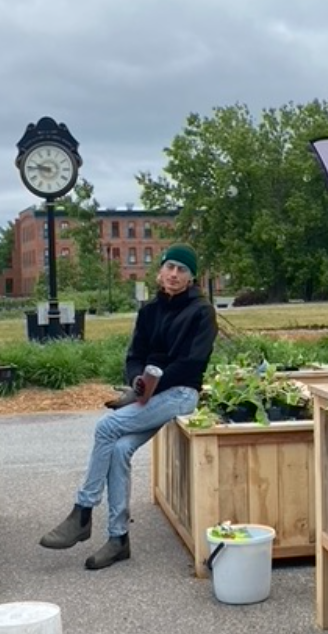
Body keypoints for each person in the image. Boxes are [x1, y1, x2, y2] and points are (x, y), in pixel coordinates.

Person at [40, 243, 218, 569]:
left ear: (191, 277)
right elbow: (135, 356)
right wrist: (138, 381)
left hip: (180, 394)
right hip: (150, 395)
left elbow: (192, 363)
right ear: (160, 271)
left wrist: (153, 385)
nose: (174, 275)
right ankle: (118, 538)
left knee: (106, 427)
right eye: (170, 267)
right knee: (119, 448)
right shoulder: (149, 311)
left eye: (182, 270)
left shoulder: (201, 312)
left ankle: (83, 511)